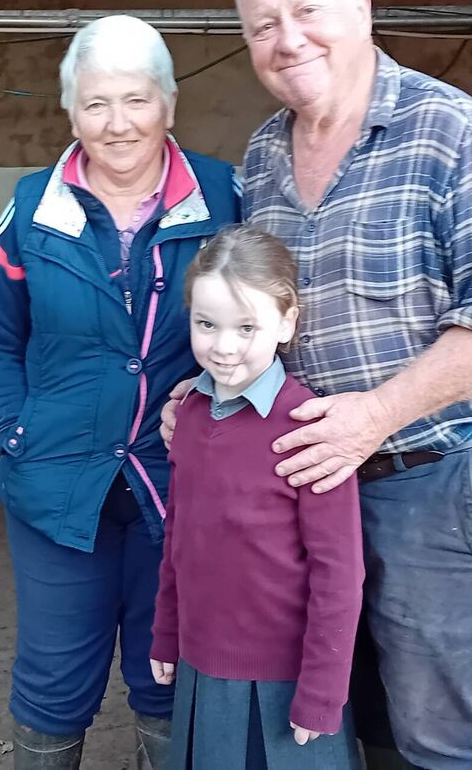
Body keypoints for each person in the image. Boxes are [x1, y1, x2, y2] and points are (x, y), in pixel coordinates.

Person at [162, 0, 472, 769]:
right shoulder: (266, 153)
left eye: (308, 12)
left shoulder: (448, 129)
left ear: (364, 10)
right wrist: (205, 390)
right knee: (339, 712)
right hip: (305, 479)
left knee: (442, 733)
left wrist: (376, 416)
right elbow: (257, 312)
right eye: (263, 25)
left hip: (431, 475)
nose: (288, 40)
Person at [0, 14, 241, 770]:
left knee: (171, 673)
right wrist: (16, 430)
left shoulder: (226, 196)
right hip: (58, 478)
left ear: (170, 104)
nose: (117, 124)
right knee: (54, 681)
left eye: (136, 100)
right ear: (69, 111)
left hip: (183, 481)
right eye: (96, 104)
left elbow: (270, 316)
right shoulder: (31, 211)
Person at [150, 225, 365, 770]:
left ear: (287, 322)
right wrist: (166, 633)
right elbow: (179, 537)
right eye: (207, 324)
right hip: (202, 667)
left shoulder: (309, 429)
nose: (223, 347)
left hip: (283, 683)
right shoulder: (190, 416)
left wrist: (322, 693)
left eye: (247, 327)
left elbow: (338, 572)